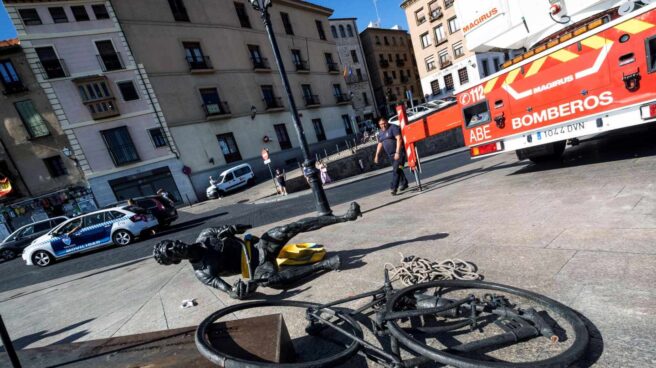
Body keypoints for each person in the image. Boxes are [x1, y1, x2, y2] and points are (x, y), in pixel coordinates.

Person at [153, 202, 362, 299]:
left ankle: (345, 216)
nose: (175, 247)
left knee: (288, 228)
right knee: (273, 282)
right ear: (175, 261)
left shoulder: (207, 234)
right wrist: (242, 291)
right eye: (171, 252)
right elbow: (231, 293)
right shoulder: (203, 272)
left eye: (172, 243)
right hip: (258, 268)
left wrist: (233, 229)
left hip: (258, 246)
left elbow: (243, 227)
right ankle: (323, 265)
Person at [373, 117, 408, 196]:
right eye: (381, 124)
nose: (383, 125)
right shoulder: (380, 133)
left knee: (396, 170)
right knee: (399, 169)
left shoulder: (393, 128)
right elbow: (380, 143)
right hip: (391, 156)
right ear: (379, 125)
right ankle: (404, 183)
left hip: (399, 154)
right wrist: (376, 155)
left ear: (387, 122)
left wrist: (397, 152)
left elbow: (399, 139)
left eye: (384, 123)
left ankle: (393, 188)